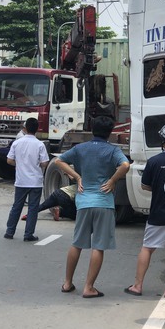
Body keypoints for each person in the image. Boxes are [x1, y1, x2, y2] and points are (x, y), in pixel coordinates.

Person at [55, 116, 130, 299]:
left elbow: (59, 161)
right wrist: (112, 180)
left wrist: (77, 177)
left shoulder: (80, 148)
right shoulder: (112, 150)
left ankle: (67, 283)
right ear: (110, 132)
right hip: (104, 203)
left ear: (92, 129)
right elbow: (125, 165)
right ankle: (88, 287)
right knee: (98, 246)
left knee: (77, 243)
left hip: (83, 202)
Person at [124, 123, 165, 297]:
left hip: (158, 213)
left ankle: (137, 285)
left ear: (163, 141)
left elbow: (145, 186)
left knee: (147, 248)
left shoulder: (154, 161)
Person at [4, 117, 49, 242]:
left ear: (25, 128)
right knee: (33, 208)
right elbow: (44, 162)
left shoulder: (17, 143)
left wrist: (19, 164)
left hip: (21, 181)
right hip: (35, 182)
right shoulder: (40, 144)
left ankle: (9, 231)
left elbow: (9, 160)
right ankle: (28, 234)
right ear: (37, 129)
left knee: (16, 206)